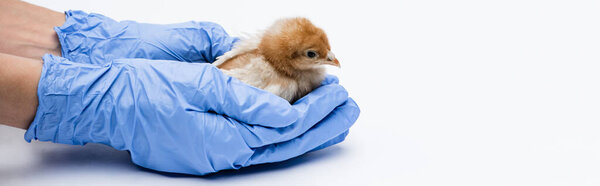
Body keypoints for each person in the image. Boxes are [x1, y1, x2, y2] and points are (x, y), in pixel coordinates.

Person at [0, 0, 360, 175]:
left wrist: (81, 41)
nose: (329, 60)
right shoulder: (277, 75)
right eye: (315, 54)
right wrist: (96, 103)